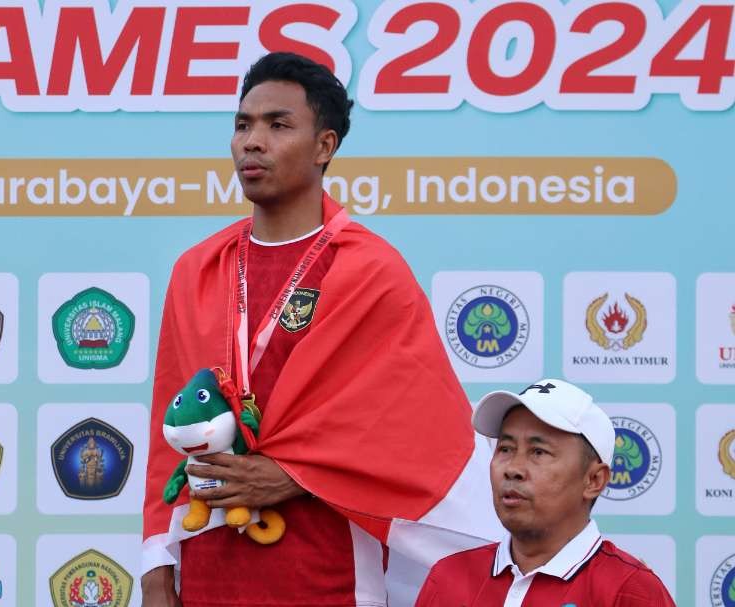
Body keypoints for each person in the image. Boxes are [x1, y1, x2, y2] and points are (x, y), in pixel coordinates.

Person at [141, 52, 501, 607]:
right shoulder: (197, 270)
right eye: (243, 125)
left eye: (278, 125)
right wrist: (156, 564)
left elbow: (415, 429)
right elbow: (172, 422)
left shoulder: (371, 270)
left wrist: (293, 475)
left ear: (324, 146)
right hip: (206, 559)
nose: (251, 142)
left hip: (329, 567)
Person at [415, 379, 677, 606]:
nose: (513, 469)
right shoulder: (449, 578)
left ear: (594, 479)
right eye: (505, 449)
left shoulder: (632, 592)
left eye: (538, 452)